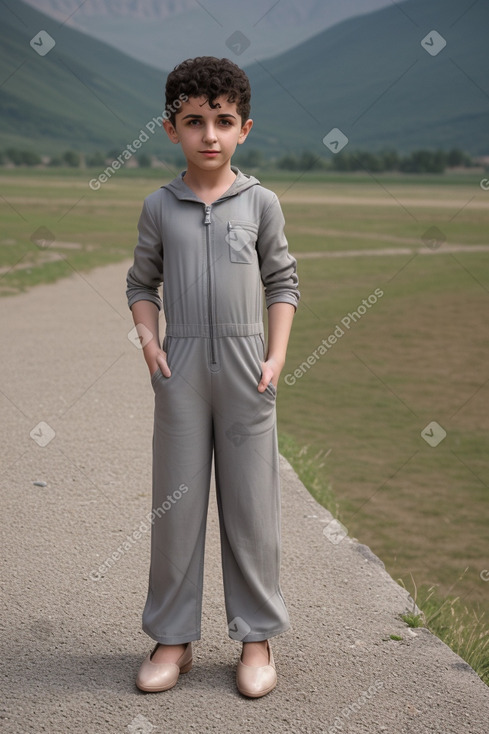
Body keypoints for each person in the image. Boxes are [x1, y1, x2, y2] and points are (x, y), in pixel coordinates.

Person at [126, 56, 300, 698]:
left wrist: (275, 358)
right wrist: (151, 345)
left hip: (248, 368)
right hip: (182, 368)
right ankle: (173, 638)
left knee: (252, 508)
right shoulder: (158, 205)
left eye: (222, 121)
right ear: (171, 128)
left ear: (244, 129)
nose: (209, 135)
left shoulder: (261, 202)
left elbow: (283, 282)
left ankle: (255, 640)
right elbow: (140, 283)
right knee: (175, 507)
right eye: (193, 121)